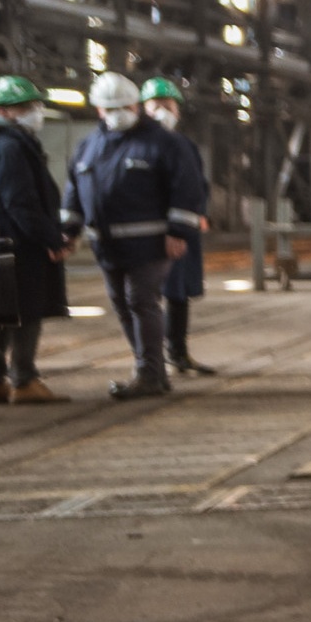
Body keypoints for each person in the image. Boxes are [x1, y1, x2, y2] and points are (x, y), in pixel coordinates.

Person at [64, 72, 205, 400]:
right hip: (107, 245)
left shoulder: (163, 142)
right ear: (99, 110)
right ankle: (151, 368)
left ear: (136, 105)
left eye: (125, 105)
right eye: (110, 107)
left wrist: (178, 231)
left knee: (141, 301)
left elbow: (187, 188)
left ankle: (149, 373)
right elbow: (75, 190)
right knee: (122, 305)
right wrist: (67, 231)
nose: (118, 112)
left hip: (150, 242)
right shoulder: (89, 146)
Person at [0, 76, 73, 404]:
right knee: (26, 310)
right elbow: (21, 203)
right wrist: (51, 239)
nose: (36, 111)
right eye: (26, 106)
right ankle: (24, 380)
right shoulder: (10, 147)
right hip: (15, 244)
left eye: (36, 105)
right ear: (3, 111)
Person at [138, 77, 215, 375]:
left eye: (168, 105)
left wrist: (198, 214)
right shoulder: (136, 144)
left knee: (178, 293)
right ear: (143, 109)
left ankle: (178, 353)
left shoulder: (185, 146)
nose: (162, 111)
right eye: (156, 105)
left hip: (179, 230)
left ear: (178, 111)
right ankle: (150, 360)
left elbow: (197, 185)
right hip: (147, 230)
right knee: (144, 298)